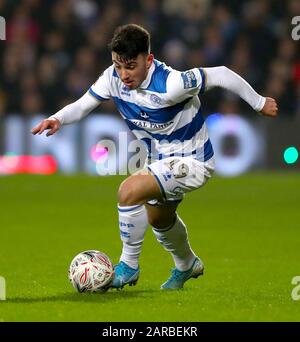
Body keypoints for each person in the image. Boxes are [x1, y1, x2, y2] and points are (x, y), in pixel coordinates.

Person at [31, 24, 278, 290]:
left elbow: (221, 74)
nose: (123, 74)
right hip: (160, 160)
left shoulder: (172, 83)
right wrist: (57, 118)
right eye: (118, 65)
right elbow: (83, 104)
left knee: (128, 191)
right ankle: (187, 264)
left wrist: (259, 102)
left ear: (148, 60)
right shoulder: (112, 78)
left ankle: (128, 267)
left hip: (194, 162)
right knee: (159, 219)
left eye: (130, 66)